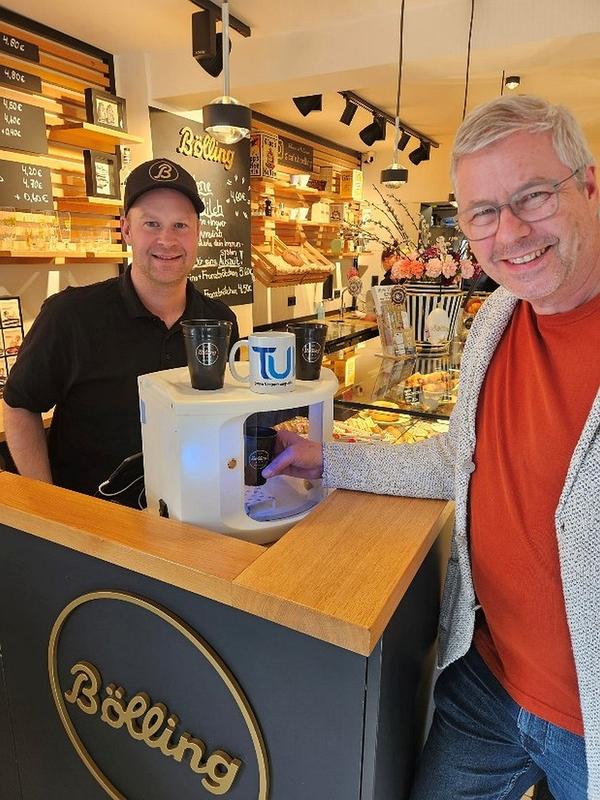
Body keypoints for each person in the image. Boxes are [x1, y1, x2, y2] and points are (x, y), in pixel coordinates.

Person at [263, 95, 600, 800]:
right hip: (487, 680)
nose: (510, 231)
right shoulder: (498, 318)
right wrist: (327, 459)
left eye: (534, 196)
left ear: (589, 184)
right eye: (483, 212)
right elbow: (456, 463)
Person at [3, 157, 239, 505]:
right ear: (126, 229)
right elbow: (20, 406)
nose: (167, 240)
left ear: (197, 233)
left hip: (193, 514)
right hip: (94, 521)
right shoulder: (70, 316)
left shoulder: (219, 321)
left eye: (180, 225)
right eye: (151, 224)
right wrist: (49, 504)